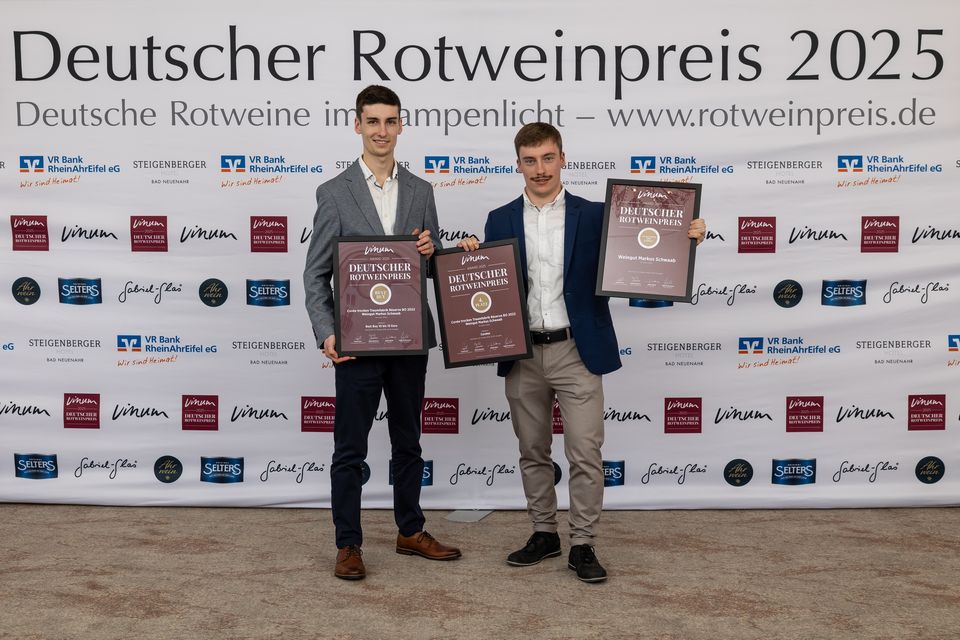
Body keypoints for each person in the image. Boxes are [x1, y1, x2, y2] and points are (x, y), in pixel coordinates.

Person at [484, 123, 706, 583]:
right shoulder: (499, 219)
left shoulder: (599, 214)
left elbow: (650, 238)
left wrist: (690, 233)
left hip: (577, 350)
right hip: (523, 352)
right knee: (532, 450)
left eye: (548, 158)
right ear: (518, 164)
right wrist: (467, 253)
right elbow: (488, 278)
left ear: (563, 158)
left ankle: (582, 543)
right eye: (530, 160)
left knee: (585, 451)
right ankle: (544, 533)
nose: (540, 169)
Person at [303, 85, 474, 580]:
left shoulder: (421, 190)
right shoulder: (333, 192)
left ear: (401, 126)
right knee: (349, 448)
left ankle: (410, 530)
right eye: (373, 121)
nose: (382, 131)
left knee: (408, 441)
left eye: (390, 121)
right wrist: (326, 332)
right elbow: (315, 274)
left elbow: (428, 267)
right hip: (356, 343)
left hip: (409, 339)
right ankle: (348, 543)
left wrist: (439, 253)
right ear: (357, 125)